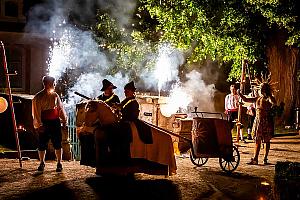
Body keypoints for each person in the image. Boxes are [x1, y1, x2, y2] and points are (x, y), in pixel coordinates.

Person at [32, 76, 67, 172]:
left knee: (57, 143)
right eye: (53, 83)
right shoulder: (38, 97)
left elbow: (60, 108)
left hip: (55, 122)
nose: (54, 85)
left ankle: (59, 163)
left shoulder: (55, 95)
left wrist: (64, 120)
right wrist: (39, 125)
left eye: (54, 83)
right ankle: (42, 162)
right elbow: (36, 112)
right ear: (46, 84)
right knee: (42, 143)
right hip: (44, 122)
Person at [238, 80, 276, 165]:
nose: (260, 90)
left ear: (265, 90)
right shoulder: (257, 98)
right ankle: (255, 158)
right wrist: (239, 93)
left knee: (266, 140)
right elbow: (246, 99)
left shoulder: (269, 98)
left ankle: (265, 158)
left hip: (266, 121)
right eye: (260, 89)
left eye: (262, 89)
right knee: (257, 140)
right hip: (258, 121)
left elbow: (274, 102)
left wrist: (269, 96)